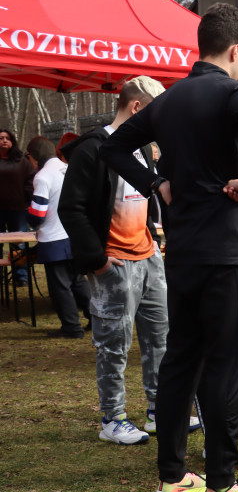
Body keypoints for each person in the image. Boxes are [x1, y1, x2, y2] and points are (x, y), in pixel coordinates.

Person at [99, 3, 238, 492]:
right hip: (230, 250)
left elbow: (113, 147)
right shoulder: (236, 90)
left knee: (181, 357)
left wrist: (156, 186)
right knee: (226, 365)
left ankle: (173, 477)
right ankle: (222, 485)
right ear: (237, 49)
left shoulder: (168, 99)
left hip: (183, 252)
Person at [59, 76, 172, 445]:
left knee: (160, 337)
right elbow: (71, 209)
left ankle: (159, 411)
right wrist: (97, 261)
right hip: (114, 263)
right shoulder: (93, 149)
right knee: (113, 344)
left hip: (148, 257)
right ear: (137, 108)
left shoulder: (140, 150)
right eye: (156, 113)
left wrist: (155, 244)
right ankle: (113, 419)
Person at [25, 137, 91, 339]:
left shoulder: (42, 176)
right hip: (75, 233)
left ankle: (71, 327)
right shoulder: (68, 168)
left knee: (60, 287)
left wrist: (27, 215)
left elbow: (37, 214)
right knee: (79, 281)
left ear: (34, 157)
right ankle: (97, 319)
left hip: (53, 238)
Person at [0, 128, 34, 286]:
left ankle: (21, 277)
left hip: (18, 208)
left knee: (18, 243)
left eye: (7, 138)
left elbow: (31, 179)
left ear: (12, 141)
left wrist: (27, 197)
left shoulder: (21, 161)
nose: (4, 140)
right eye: (1, 138)